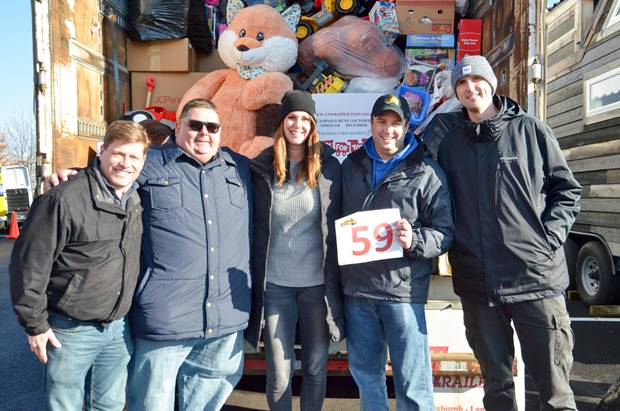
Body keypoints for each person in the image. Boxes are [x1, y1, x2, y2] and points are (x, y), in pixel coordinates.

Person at [47, 99, 253, 411]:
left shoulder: (239, 168)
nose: (204, 133)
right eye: (195, 125)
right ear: (178, 128)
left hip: (224, 322)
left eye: (212, 127)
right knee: (150, 404)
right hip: (165, 319)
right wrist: (71, 177)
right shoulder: (151, 164)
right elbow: (110, 178)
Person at [423, 55, 582, 410]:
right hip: (478, 284)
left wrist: (548, 239)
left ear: (492, 84)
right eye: (461, 83)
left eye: (476, 80)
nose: (470, 88)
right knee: (497, 389)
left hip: (534, 279)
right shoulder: (447, 141)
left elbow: (567, 190)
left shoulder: (529, 130)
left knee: (555, 392)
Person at [10, 120, 149, 410]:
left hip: (118, 329)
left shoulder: (135, 198)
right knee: (65, 405)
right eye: (118, 154)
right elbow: (29, 265)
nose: (126, 163)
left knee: (110, 405)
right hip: (70, 331)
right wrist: (34, 325)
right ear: (102, 151)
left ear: (143, 161)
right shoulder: (63, 198)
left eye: (134, 156)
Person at [340, 94, 453, 411]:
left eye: (395, 123)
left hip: (402, 293)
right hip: (359, 292)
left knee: (413, 384)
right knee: (367, 379)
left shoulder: (426, 171)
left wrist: (414, 240)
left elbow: (444, 233)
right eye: (381, 121)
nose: (387, 130)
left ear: (406, 127)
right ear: (371, 123)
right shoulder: (351, 165)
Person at [245, 90, 345, 411]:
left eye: (305, 118)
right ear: (282, 123)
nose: (297, 124)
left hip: (317, 286)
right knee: (279, 372)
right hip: (275, 286)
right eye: (291, 117)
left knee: (316, 368)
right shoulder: (261, 168)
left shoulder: (330, 167)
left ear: (313, 125)